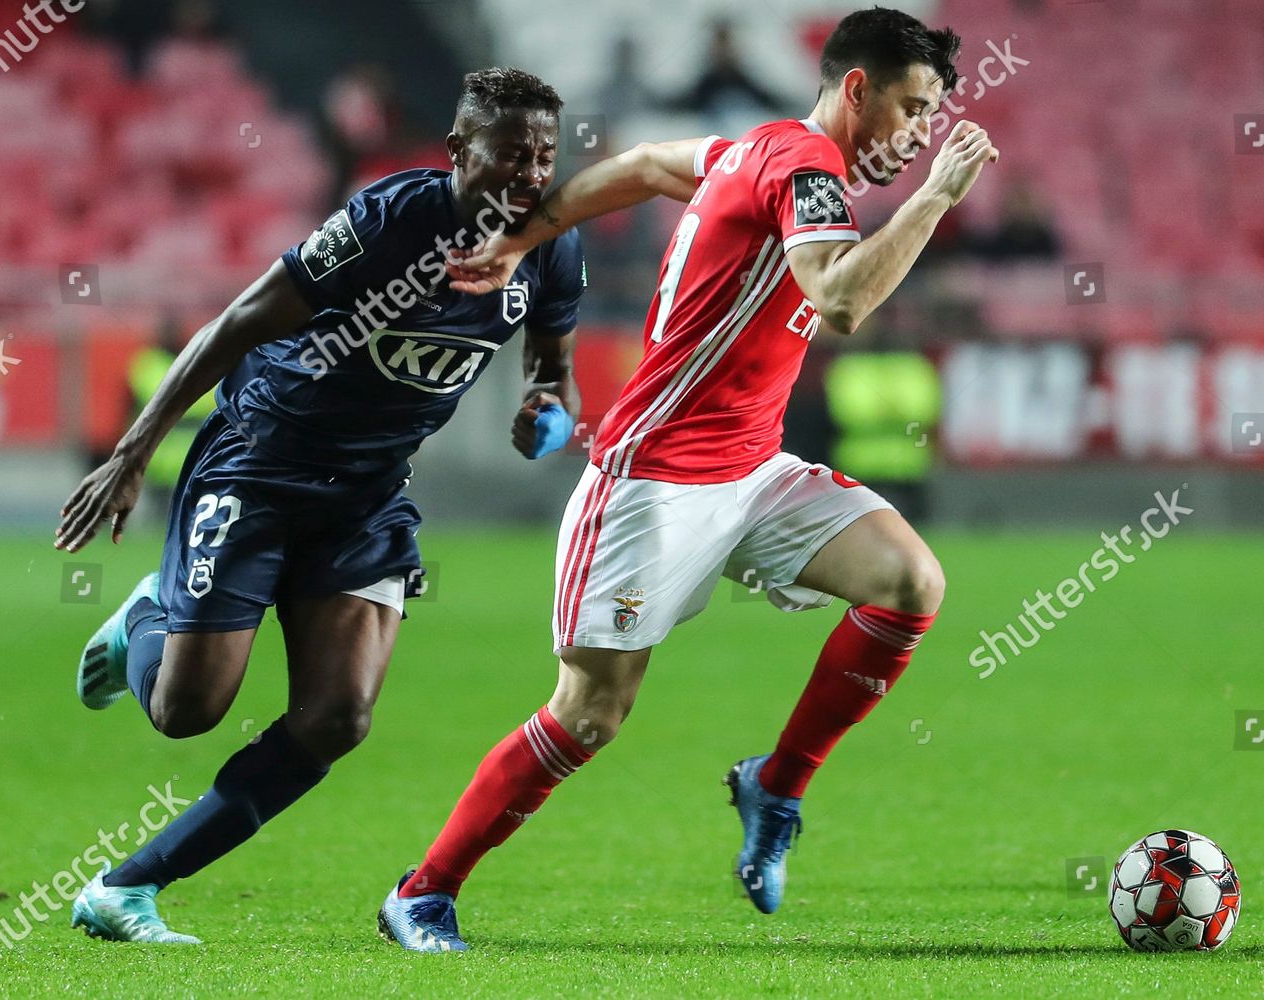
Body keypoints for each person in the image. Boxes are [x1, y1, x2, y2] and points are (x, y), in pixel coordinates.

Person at [379, 7, 997, 952]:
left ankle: (776, 786)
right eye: (911, 111)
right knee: (588, 717)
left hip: (750, 471)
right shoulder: (805, 167)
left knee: (910, 583)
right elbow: (838, 300)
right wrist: (936, 199)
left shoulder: (756, 149)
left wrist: (522, 238)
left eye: (932, 121)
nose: (920, 137)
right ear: (857, 90)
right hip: (652, 481)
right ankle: (422, 892)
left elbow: (639, 168)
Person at [53, 67, 585, 944]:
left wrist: (545, 411)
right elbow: (240, 322)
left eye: (544, 156)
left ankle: (126, 888)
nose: (531, 173)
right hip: (261, 463)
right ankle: (144, 618)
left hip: (368, 491)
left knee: (338, 718)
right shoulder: (391, 221)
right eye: (510, 155)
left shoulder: (553, 243)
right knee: (188, 713)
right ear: (458, 153)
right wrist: (131, 451)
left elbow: (550, 363)